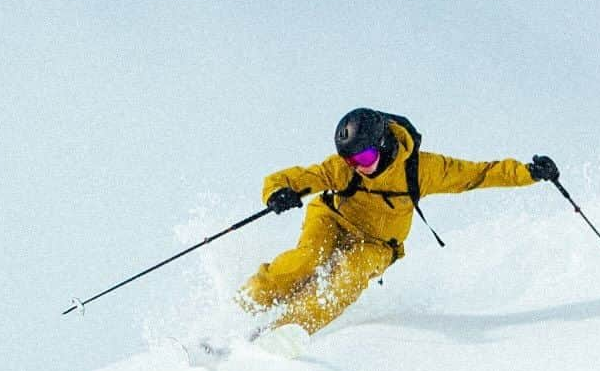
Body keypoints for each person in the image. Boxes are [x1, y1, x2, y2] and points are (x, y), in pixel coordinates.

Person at [239, 107, 559, 341]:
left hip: (377, 244)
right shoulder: (345, 168)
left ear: (381, 143)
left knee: (348, 276)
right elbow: (290, 178)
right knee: (307, 260)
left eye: (363, 159)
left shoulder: (421, 169)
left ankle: (284, 332)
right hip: (333, 220)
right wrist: (278, 193)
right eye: (351, 161)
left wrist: (528, 172)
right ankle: (248, 302)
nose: (358, 168)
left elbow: (477, 174)